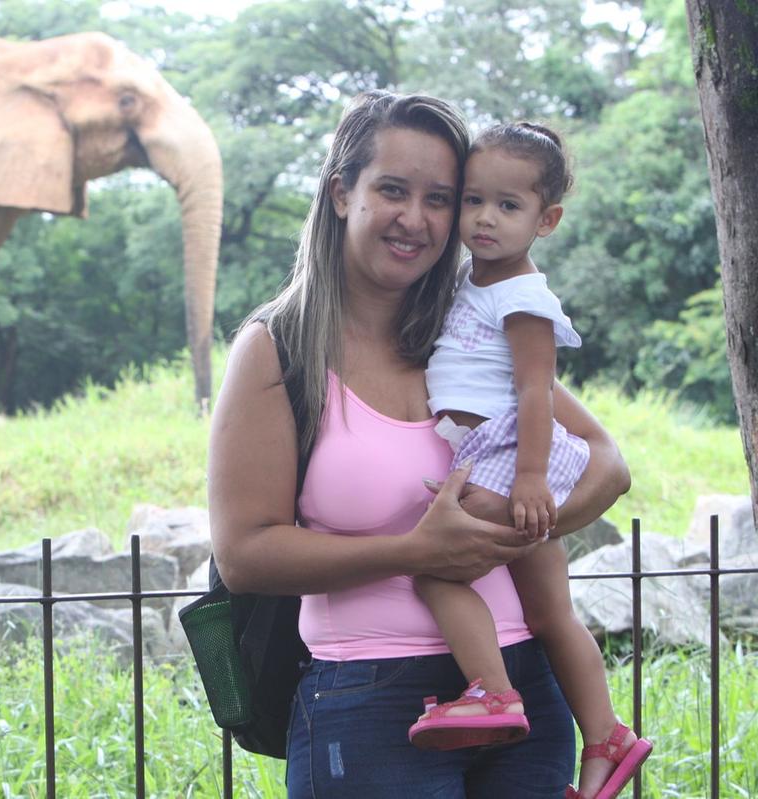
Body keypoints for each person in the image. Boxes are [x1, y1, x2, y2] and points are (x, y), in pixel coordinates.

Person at [208, 91, 631, 797]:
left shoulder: (472, 331)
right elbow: (244, 553)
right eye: (393, 190)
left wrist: (515, 525)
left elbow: (608, 463)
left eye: (441, 197)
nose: (417, 218)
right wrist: (418, 552)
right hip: (369, 699)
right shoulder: (277, 349)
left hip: (526, 688)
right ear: (343, 193)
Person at [409, 123, 652, 799]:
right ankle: (607, 737)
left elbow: (534, 392)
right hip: (496, 451)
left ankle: (492, 692)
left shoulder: (524, 298)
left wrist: (529, 479)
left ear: (546, 220)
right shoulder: (471, 279)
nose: (485, 218)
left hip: (509, 452)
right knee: (550, 612)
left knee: (434, 567)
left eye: (508, 206)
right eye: (473, 200)